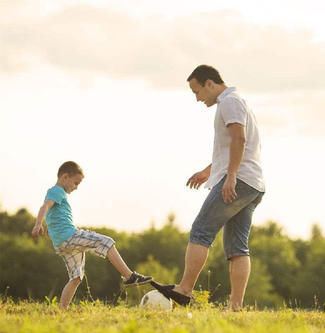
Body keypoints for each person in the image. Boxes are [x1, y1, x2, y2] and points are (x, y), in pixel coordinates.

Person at [151, 65, 265, 311]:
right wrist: (208, 171)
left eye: (197, 91)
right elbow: (234, 146)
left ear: (210, 83)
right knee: (237, 246)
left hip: (239, 180)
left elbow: (239, 140)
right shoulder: (237, 101)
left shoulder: (229, 102)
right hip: (253, 183)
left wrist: (230, 177)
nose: (197, 98)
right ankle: (235, 307)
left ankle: (184, 289)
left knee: (201, 230)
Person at [32, 161, 152, 310]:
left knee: (75, 278)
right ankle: (129, 277)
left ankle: (61, 310)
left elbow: (53, 215)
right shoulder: (56, 191)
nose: (76, 187)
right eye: (76, 183)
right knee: (107, 242)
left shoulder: (56, 193)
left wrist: (50, 229)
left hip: (62, 244)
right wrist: (38, 224)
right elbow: (45, 207)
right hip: (70, 237)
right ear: (65, 177)